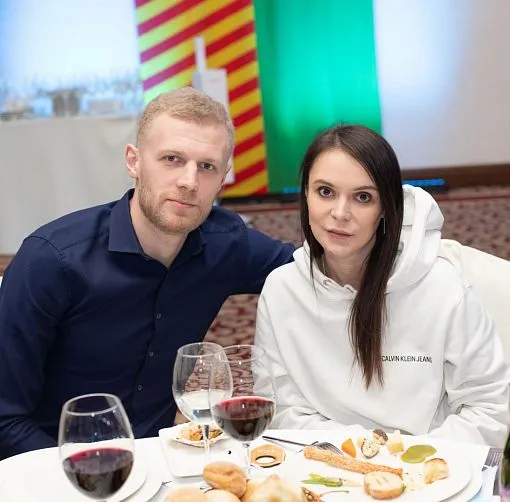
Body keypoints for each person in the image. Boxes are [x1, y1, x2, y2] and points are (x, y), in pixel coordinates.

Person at [0, 87, 294, 459]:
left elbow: (312, 270)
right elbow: (6, 420)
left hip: (160, 462)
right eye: (172, 159)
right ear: (133, 162)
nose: (189, 181)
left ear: (223, 179)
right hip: (56, 467)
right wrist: (90, 472)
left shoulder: (226, 244)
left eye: (207, 166)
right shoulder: (51, 261)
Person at [255, 124, 509, 446]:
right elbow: (280, 410)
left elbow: (488, 409)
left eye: (363, 197)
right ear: (306, 194)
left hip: (432, 464)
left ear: (386, 207)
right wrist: (363, 452)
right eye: (325, 192)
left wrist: (408, 459)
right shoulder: (281, 290)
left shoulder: (442, 288)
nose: (340, 213)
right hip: (327, 462)